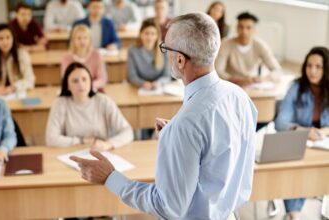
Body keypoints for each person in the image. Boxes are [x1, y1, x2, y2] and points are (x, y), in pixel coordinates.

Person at [70, 13, 257, 220]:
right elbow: (220, 153)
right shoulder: (239, 96)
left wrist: (110, 177)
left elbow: (168, 207)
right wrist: (178, 136)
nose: (164, 54)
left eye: (166, 48)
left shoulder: (187, 124)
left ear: (179, 60)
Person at [275, 46, 329, 220]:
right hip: (301, 144)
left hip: (324, 145)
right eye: (309, 65)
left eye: (318, 67)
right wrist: (305, 131)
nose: (312, 71)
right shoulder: (296, 88)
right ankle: (293, 214)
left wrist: (324, 131)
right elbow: (280, 122)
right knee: (296, 169)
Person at [46, 62, 133, 150]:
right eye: (75, 81)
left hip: (101, 152)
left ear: (90, 81)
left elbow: (127, 132)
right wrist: (81, 141)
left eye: (84, 79)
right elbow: (51, 139)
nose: (81, 84)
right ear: (67, 86)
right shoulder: (60, 103)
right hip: (71, 152)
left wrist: (108, 144)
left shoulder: (103, 101)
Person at [215, 12, 281, 86]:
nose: (244, 31)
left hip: (252, 84)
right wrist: (234, 80)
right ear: (236, 28)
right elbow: (218, 70)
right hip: (230, 84)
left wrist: (263, 79)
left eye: (248, 28)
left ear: (254, 30)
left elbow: (276, 70)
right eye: (241, 27)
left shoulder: (260, 45)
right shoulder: (226, 44)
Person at [0, 24, 35, 96]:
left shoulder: (22, 55)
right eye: (1, 38)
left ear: (13, 39)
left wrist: (13, 87)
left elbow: (30, 80)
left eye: (8, 37)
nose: (5, 42)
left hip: (17, 94)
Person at [61, 25, 107, 91]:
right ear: (73, 40)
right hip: (74, 91)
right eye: (79, 38)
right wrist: (79, 87)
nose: (82, 41)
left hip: (94, 89)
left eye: (85, 38)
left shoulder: (96, 55)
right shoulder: (66, 57)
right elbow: (65, 80)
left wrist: (87, 86)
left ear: (89, 40)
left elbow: (102, 79)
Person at [127, 18, 170, 90]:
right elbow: (132, 76)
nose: (149, 37)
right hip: (139, 88)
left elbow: (167, 75)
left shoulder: (164, 50)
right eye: (146, 33)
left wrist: (159, 83)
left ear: (157, 36)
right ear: (141, 34)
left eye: (153, 34)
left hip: (159, 88)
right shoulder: (132, 51)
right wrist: (142, 83)